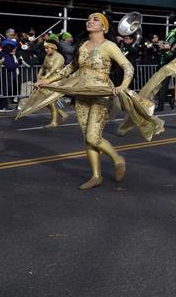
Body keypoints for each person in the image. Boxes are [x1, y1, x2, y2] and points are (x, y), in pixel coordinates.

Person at [27, 13, 164, 190]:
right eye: (89, 19)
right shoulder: (82, 46)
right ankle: (96, 176)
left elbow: (127, 67)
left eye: (96, 19)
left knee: (93, 136)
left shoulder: (109, 45)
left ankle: (117, 158)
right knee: (88, 138)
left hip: (101, 94)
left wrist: (122, 85)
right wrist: (47, 81)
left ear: (104, 27)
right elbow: (69, 69)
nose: (90, 21)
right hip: (82, 94)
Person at [38, 40, 68, 127]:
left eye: (47, 48)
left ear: (53, 47)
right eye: (45, 48)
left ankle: (54, 122)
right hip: (47, 81)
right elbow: (43, 67)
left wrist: (45, 77)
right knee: (43, 101)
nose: (46, 50)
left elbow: (53, 70)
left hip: (56, 81)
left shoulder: (59, 57)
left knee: (50, 101)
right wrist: (39, 75)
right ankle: (62, 114)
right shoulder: (47, 56)